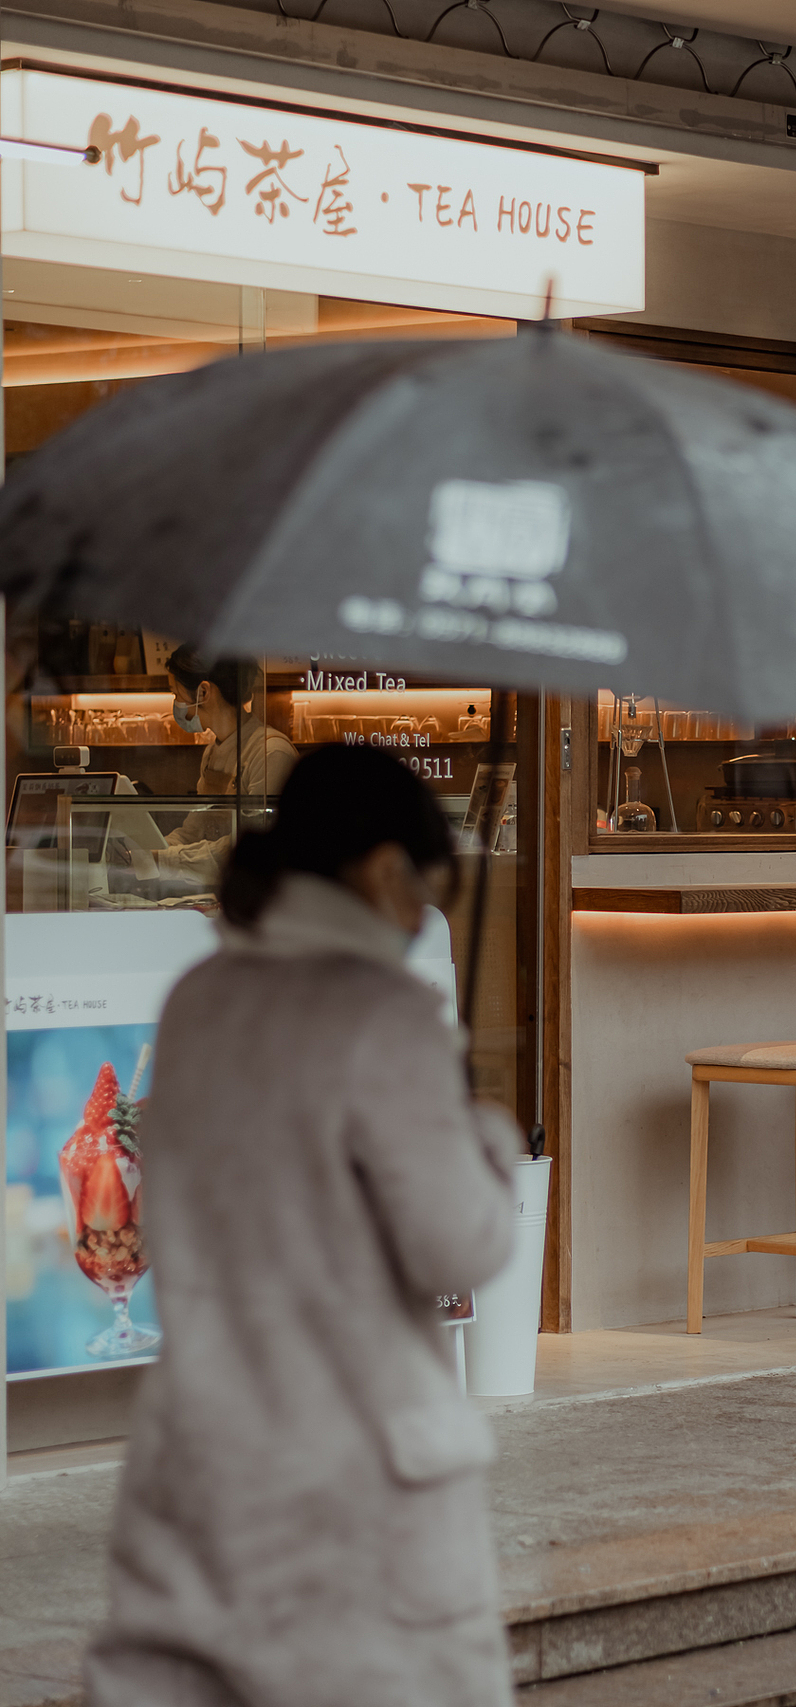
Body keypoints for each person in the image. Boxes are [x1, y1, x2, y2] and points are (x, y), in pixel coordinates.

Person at [86, 746, 522, 1707]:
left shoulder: (198, 1003)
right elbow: (457, 1248)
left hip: (195, 1468)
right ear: (379, 870)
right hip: (354, 1487)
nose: (423, 912)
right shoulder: (384, 1019)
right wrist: (488, 1145)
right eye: (423, 884)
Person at [155, 646, 298, 890]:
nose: (176, 704)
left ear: (203, 691)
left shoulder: (270, 752)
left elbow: (250, 848)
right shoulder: (212, 751)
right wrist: (149, 850)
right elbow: (195, 829)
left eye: (176, 693)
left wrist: (161, 858)